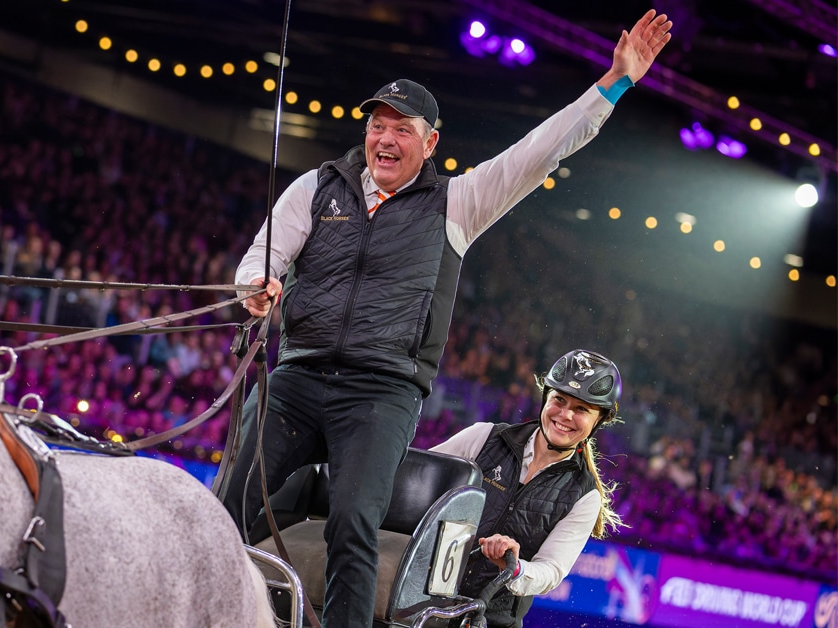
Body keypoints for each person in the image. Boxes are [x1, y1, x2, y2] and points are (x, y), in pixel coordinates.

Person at [220, 10, 671, 627]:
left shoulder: (457, 204)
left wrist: (614, 84)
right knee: (228, 503)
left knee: (354, 525)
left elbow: (539, 152)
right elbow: (263, 256)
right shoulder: (315, 189)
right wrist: (256, 286)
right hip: (297, 378)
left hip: (379, 394)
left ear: (429, 143)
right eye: (377, 125)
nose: (384, 138)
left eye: (401, 129)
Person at [429, 349, 624, 627]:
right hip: (424, 599)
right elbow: (418, 481)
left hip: (491, 620)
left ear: (599, 420)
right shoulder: (483, 437)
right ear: (546, 398)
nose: (565, 414)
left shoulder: (585, 496)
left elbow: (551, 570)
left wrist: (514, 567)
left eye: (581, 409)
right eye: (559, 399)